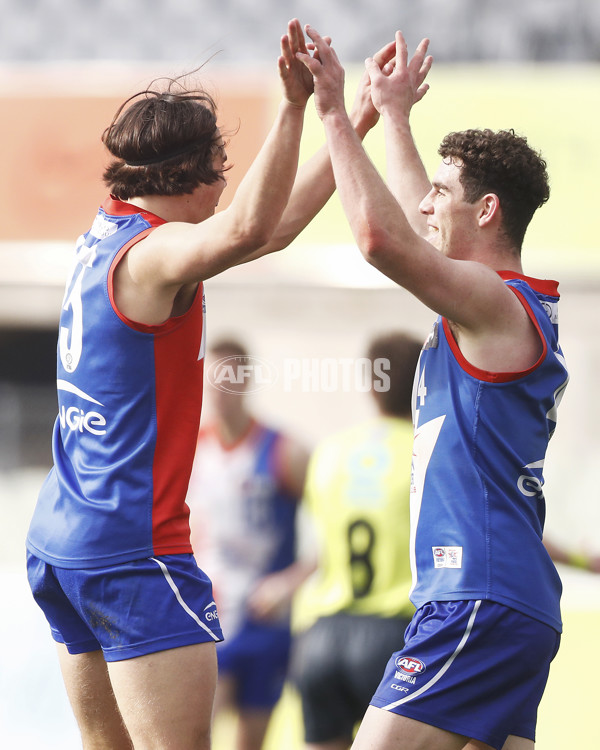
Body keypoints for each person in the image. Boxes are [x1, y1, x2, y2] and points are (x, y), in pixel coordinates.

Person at [24, 20, 318, 750]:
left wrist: (354, 124)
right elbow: (251, 229)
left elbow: (267, 228)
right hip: (134, 548)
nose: (227, 177)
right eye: (222, 162)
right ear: (195, 172)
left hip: (64, 538)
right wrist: (293, 107)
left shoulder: (110, 233)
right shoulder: (157, 255)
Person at [298, 27, 569, 750]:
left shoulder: (493, 303)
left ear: (485, 212)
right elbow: (418, 220)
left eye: (444, 196)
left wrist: (333, 112)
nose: (426, 206)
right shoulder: (497, 301)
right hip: (505, 597)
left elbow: (386, 241)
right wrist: (394, 116)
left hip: (475, 591)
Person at [292, 332, 422, 750]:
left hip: (321, 638)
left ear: (371, 384)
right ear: (425, 380)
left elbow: (321, 545)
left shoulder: (330, 452)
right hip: (394, 636)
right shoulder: (427, 453)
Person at [186, 337, 312, 750]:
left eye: (228, 379)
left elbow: (331, 529)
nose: (218, 390)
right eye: (211, 380)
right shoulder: (190, 449)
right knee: (193, 733)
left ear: (245, 380)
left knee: (250, 742)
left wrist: (290, 582)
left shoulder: (284, 450)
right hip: (210, 611)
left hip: (265, 614)